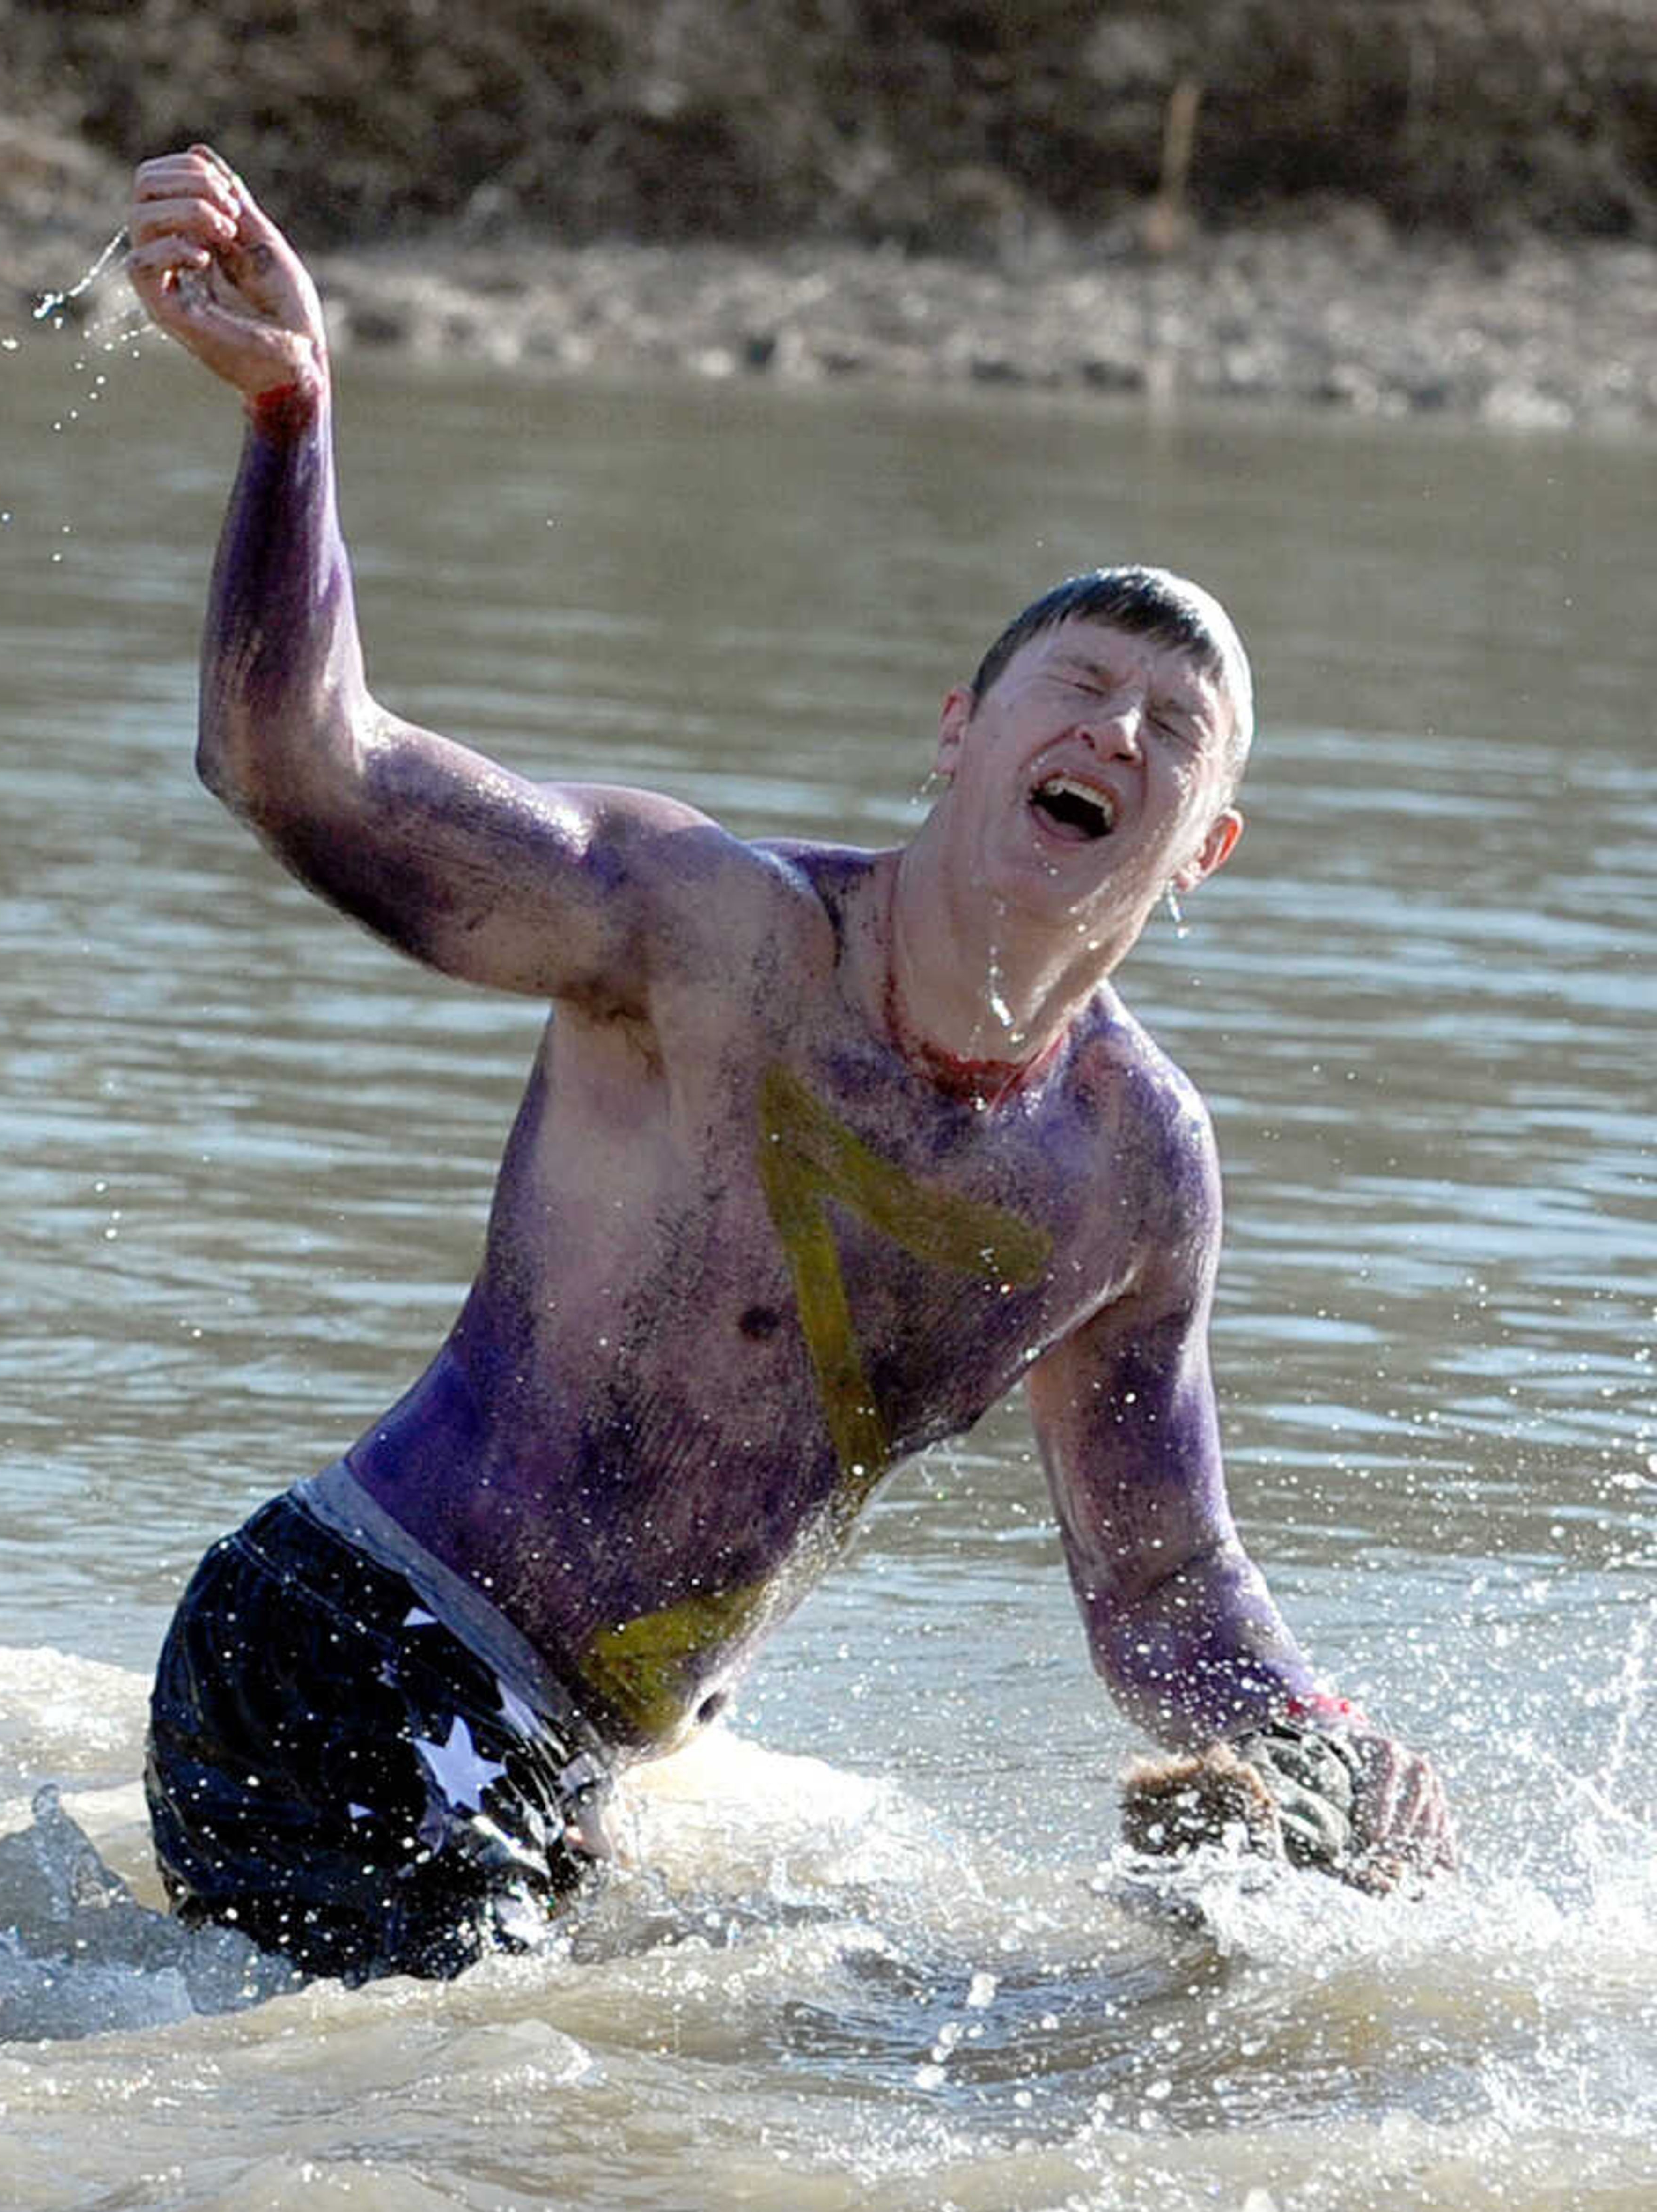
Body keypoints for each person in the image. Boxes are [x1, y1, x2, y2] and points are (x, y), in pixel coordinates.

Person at [128, 148, 1454, 1983]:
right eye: (1075, 686)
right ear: (962, 733)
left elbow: (1160, 1584)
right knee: (476, 2142)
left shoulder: (1132, 1172)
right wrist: (294, 419)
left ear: (1203, 843)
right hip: (355, 1644)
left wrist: (1311, 1735)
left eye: (1173, 731)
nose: (1115, 732)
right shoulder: (698, 933)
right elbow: (299, 763)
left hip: (579, 1765)